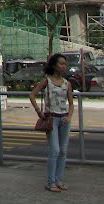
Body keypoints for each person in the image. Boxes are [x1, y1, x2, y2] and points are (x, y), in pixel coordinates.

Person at [30, 52, 74, 193]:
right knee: (55, 150)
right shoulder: (46, 81)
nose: (64, 66)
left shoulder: (67, 84)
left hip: (64, 118)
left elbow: (71, 103)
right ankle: (51, 182)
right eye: (61, 64)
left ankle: (59, 179)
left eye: (65, 64)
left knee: (63, 150)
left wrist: (70, 116)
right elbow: (32, 95)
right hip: (51, 118)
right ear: (54, 65)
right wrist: (39, 111)